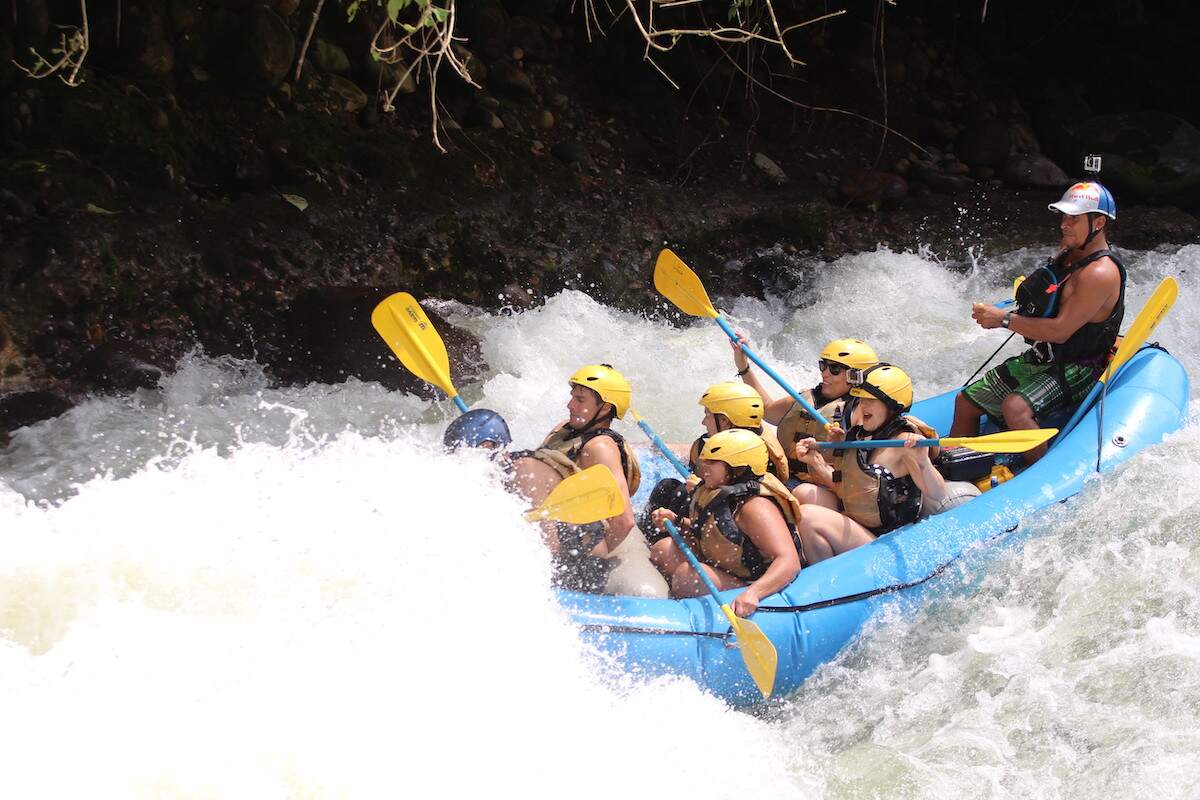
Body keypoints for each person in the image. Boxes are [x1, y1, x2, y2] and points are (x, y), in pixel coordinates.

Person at [952, 181, 1126, 464]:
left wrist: (1004, 320)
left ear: (1098, 222)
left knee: (1015, 407)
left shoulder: (1100, 273)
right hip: (1045, 357)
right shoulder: (1069, 252)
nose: (1064, 225)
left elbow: (1060, 331)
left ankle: (1039, 472)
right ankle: (954, 466)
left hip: (1080, 365)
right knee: (966, 402)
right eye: (1064, 217)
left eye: (1074, 219)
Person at [511, 364, 667, 597]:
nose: (570, 405)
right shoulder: (563, 429)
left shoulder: (600, 448)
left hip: (577, 548)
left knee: (528, 468)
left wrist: (583, 560)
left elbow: (623, 520)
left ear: (604, 408)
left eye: (580, 400)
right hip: (549, 526)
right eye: (572, 397)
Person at [791, 364, 960, 563]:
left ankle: (826, 580)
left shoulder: (905, 442)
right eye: (861, 399)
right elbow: (849, 488)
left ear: (892, 405)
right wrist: (816, 461)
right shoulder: (861, 434)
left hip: (888, 538)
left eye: (871, 400)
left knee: (809, 517)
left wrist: (923, 462)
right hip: (860, 520)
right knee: (802, 492)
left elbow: (938, 493)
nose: (863, 406)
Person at [650, 428, 804, 617]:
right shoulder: (717, 492)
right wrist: (678, 521)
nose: (703, 467)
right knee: (663, 550)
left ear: (738, 468)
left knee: (687, 577)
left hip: (753, 582)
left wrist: (754, 593)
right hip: (726, 568)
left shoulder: (755, 507)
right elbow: (713, 530)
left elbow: (789, 561)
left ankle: (685, 618)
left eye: (712, 462)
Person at [637, 381, 788, 565]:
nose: (703, 421)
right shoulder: (712, 444)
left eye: (708, 414)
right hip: (712, 513)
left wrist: (701, 489)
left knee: (680, 494)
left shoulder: (757, 455)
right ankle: (643, 542)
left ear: (724, 420)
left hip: (732, 526)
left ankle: (658, 549)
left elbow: (737, 497)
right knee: (668, 487)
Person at [733, 334, 879, 496]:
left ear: (855, 377)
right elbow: (767, 410)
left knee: (803, 492)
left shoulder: (862, 411)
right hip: (785, 477)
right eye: (823, 366)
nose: (825, 374)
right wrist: (743, 366)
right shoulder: (805, 397)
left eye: (834, 369)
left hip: (826, 488)